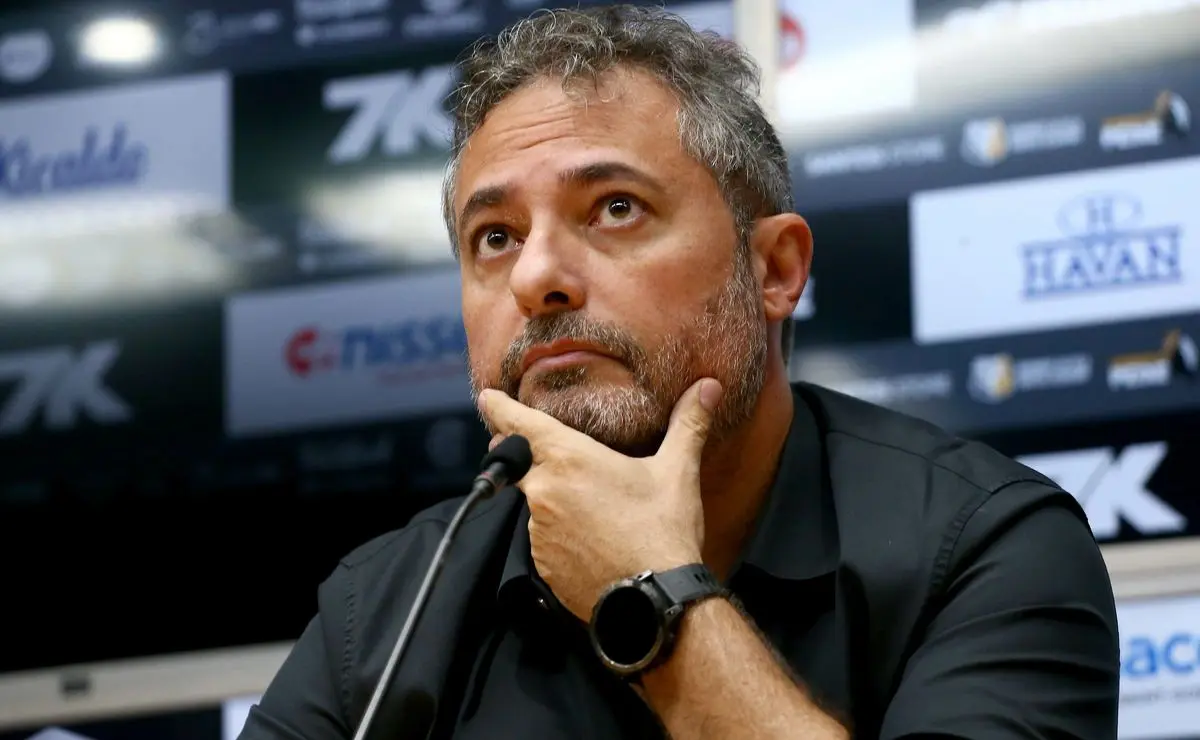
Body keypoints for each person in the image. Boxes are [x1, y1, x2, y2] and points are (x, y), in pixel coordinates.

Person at [238, 6, 1120, 739]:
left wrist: (649, 591)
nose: (536, 276)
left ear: (773, 269)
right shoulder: (384, 613)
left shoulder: (986, 548)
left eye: (615, 208)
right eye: (495, 236)